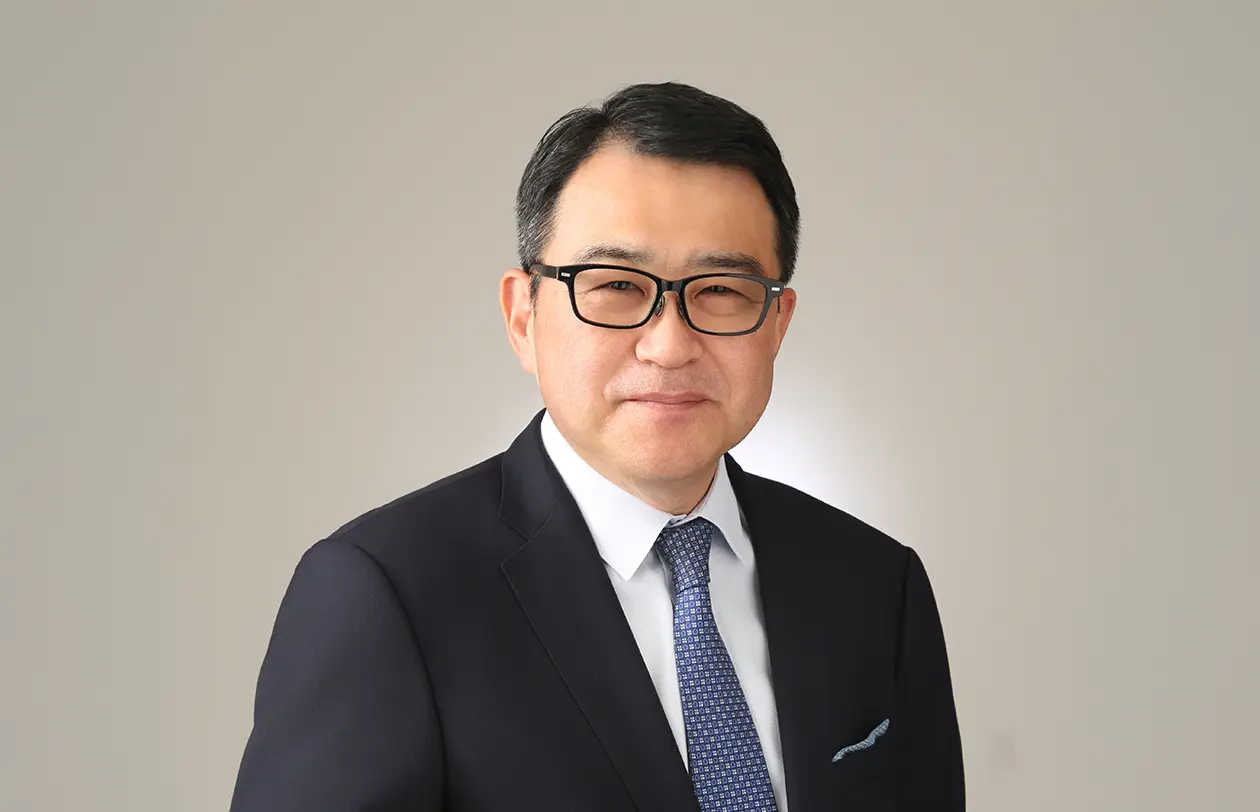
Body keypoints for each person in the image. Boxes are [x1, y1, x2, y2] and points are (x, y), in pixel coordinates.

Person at [229, 81, 964, 811]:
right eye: (615, 285)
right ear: (523, 317)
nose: (670, 345)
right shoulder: (387, 593)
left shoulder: (875, 585)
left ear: (777, 323)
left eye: (719, 291)